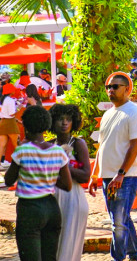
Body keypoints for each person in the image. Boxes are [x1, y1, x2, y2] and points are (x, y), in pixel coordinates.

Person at [89, 72, 137, 261]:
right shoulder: (107, 114)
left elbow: (136, 144)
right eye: (108, 87)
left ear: (127, 89)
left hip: (126, 176)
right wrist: (94, 175)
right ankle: (135, 255)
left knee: (118, 223)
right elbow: (102, 147)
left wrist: (121, 173)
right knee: (121, 219)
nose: (111, 90)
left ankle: (118, 258)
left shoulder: (134, 111)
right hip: (108, 176)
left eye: (115, 86)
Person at [4, 105, 72, 261]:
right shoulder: (58, 151)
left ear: (26, 126)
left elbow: (8, 180)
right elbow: (67, 185)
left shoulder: (22, 150)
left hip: (29, 210)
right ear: (46, 126)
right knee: (50, 257)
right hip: (51, 208)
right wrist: (47, 177)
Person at [49, 103, 91, 261]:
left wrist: (62, 165)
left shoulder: (78, 144)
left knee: (69, 247)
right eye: (60, 119)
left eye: (68, 119)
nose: (64, 123)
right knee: (53, 246)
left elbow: (86, 175)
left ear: (74, 122)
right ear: (53, 122)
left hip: (73, 199)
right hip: (53, 200)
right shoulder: (50, 144)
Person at [0, 83, 20, 169]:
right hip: (10, 123)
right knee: (16, 143)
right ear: (10, 91)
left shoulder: (3, 100)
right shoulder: (11, 100)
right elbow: (12, 114)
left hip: (3, 122)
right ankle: (21, 163)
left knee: (2, 145)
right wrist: (18, 108)